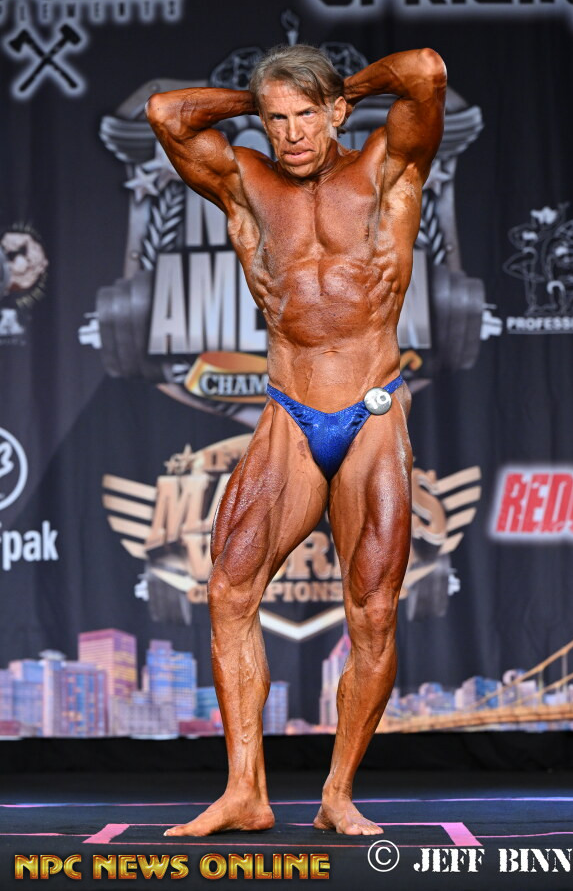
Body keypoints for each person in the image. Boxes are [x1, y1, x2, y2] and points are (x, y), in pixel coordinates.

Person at [146, 43, 446, 836]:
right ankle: (245, 791)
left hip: (370, 413)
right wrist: (256, 100)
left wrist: (341, 87)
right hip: (289, 413)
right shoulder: (247, 181)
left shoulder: (386, 167)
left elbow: (423, 70)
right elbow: (167, 114)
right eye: (277, 119)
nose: (292, 133)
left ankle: (337, 793)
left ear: (338, 111)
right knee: (229, 590)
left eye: (306, 114)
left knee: (372, 612)